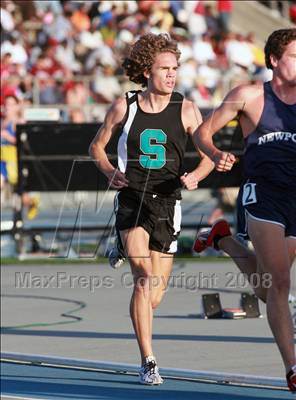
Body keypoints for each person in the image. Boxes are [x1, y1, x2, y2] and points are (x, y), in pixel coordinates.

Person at [89, 33, 214, 385]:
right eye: (164, 69)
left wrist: (197, 176)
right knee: (143, 281)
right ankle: (149, 360)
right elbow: (96, 147)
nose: (172, 75)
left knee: (155, 295)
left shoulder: (187, 109)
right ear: (147, 71)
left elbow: (207, 154)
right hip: (133, 198)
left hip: (168, 201)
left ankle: (119, 246)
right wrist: (109, 170)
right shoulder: (124, 107)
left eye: (175, 69)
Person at [193, 28, 296, 392]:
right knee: (281, 282)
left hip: (295, 196)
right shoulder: (250, 96)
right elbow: (201, 133)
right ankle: (292, 367)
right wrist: (216, 153)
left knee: (270, 291)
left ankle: (227, 242)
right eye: (294, 56)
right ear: (273, 60)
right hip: (262, 193)